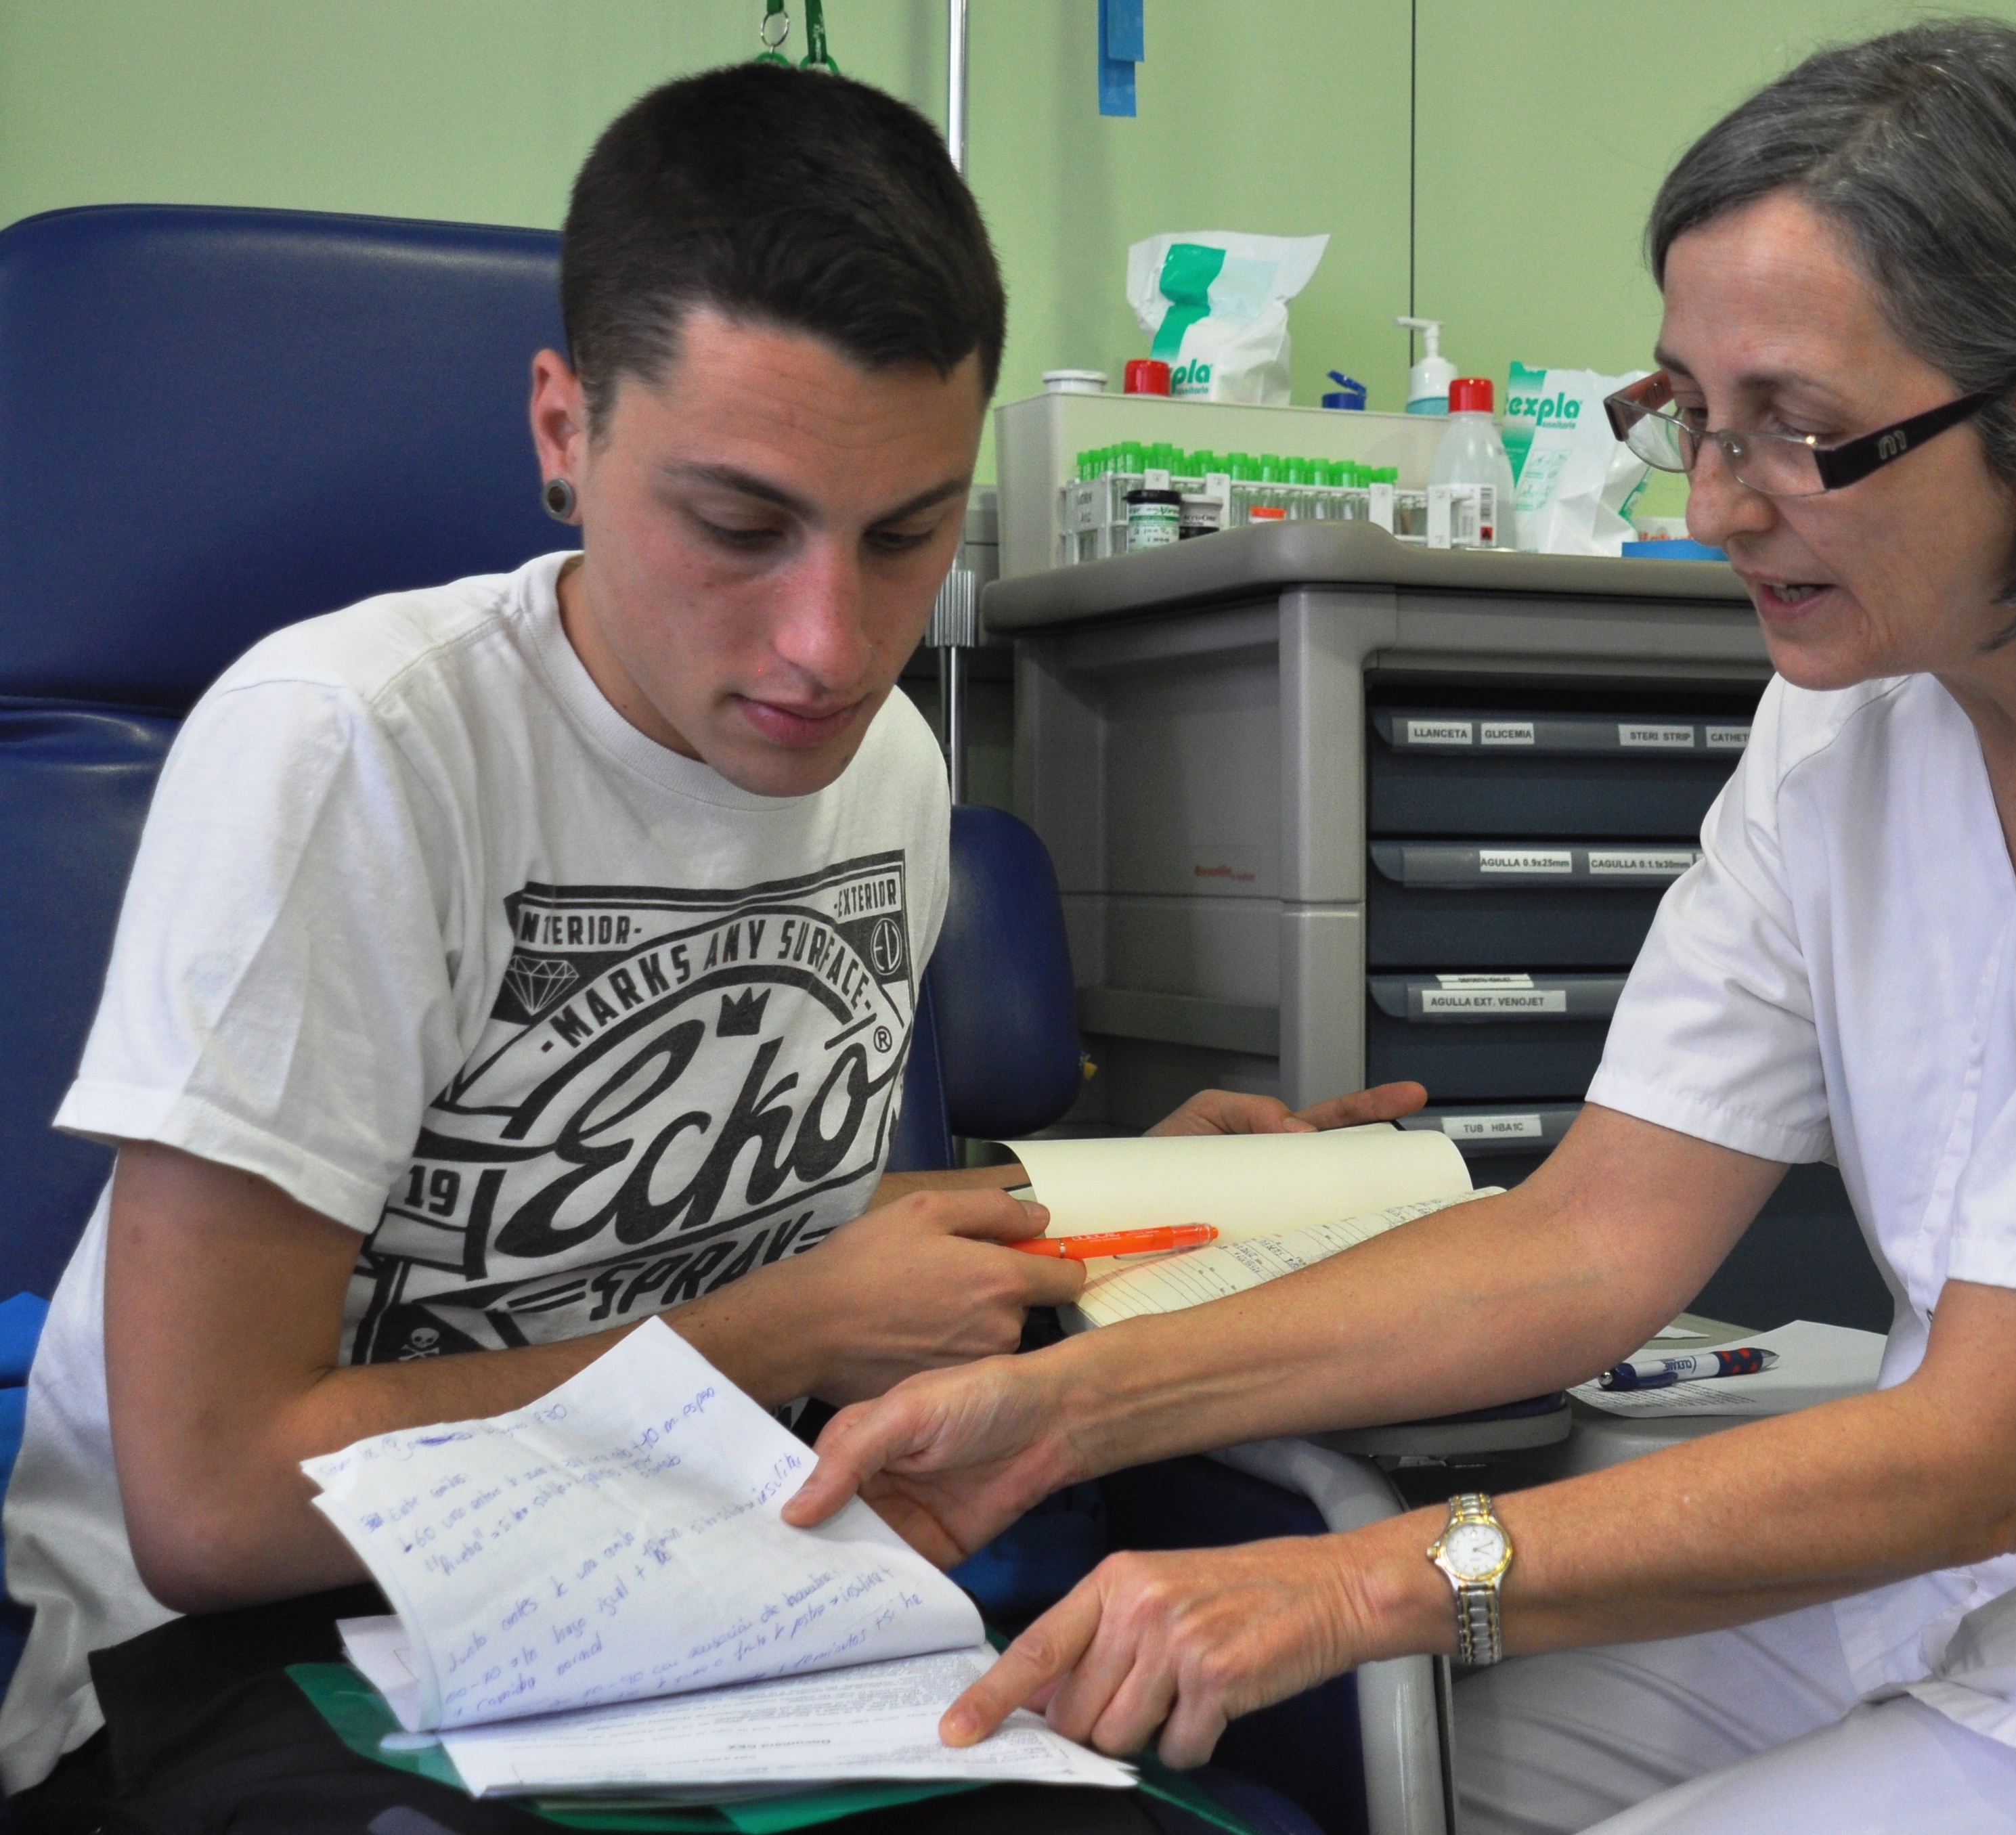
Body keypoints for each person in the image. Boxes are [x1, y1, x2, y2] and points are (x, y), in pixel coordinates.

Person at [783, 20, 2016, 1835]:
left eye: (1795, 433)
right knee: (1401, 1768)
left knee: (1390, 1673)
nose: (1710, 504)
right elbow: (1589, 1243)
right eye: (1689, 412)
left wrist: (1367, 1582)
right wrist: (1066, 1407)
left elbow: (1991, 1441)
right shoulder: (1849, 711)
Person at [0, 62, 1417, 1831]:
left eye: (906, 537)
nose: (829, 646)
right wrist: (778, 1329)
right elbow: (206, 1501)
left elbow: (710, 1205)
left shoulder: (882, 768)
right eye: (738, 529)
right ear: (561, 431)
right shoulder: (348, 751)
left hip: (689, 1580)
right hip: (250, 1636)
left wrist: (1113, 1208)